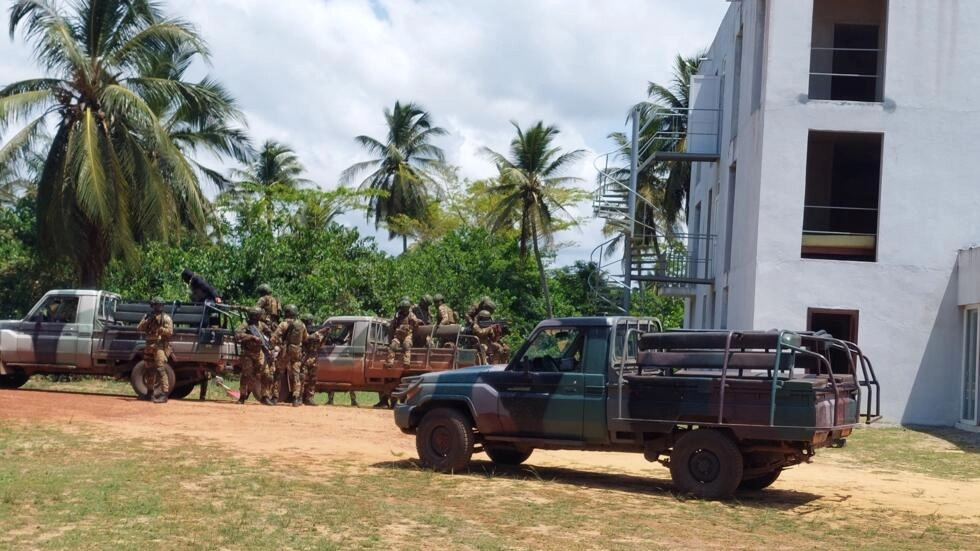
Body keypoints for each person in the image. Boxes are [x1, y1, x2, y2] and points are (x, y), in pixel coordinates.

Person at [137, 297, 174, 403]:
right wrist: (147, 321)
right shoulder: (148, 316)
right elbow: (139, 328)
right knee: (149, 369)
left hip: (159, 346)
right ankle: (150, 393)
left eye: (160, 304)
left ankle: (164, 394)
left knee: (160, 369)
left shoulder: (166, 318)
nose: (158, 306)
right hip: (149, 345)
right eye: (156, 304)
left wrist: (160, 328)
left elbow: (170, 332)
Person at [271, 304, 308, 407]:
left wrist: (276, 345)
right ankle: (296, 398)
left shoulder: (283, 324)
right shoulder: (301, 325)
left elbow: (274, 338)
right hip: (297, 352)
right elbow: (306, 339)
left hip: (285, 352)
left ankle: (275, 397)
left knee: (278, 374)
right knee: (296, 375)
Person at [234, 308, 271, 405]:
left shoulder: (261, 325)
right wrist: (251, 337)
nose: (260, 316)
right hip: (248, 353)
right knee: (246, 374)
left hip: (260, 353)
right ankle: (242, 396)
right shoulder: (246, 325)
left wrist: (266, 339)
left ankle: (265, 396)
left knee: (266, 374)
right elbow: (237, 335)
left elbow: (270, 332)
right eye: (258, 315)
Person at [299, 314, 327, 406]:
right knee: (302, 378)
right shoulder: (302, 330)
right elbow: (307, 339)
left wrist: (325, 334)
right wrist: (320, 332)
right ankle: (299, 397)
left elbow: (321, 344)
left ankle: (309, 398)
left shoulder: (314, 333)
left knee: (313, 379)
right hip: (305, 358)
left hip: (313, 358)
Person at [385, 299, 420, 368]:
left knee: (406, 345)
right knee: (393, 346)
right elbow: (394, 324)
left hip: (407, 335)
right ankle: (389, 363)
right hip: (398, 336)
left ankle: (406, 362)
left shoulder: (411, 316)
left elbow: (416, 325)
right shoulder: (398, 315)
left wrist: (412, 332)